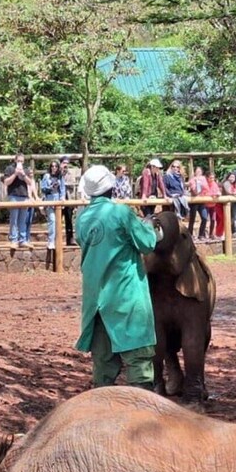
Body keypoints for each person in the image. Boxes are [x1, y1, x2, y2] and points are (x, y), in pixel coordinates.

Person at [75, 165, 163, 390]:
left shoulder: (81, 218)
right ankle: (142, 416)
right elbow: (147, 243)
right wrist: (150, 226)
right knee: (139, 363)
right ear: (112, 187)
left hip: (96, 301)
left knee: (103, 368)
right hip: (126, 296)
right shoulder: (122, 213)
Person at [2, 152, 32, 248]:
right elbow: (6, 182)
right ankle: (13, 240)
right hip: (13, 196)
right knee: (14, 219)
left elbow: (30, 182)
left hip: (24, 197)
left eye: (22, 161)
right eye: (18, 161)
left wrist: (23, 175)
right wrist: (15, 173)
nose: (20, 163)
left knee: (23, 220)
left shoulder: (26, 169)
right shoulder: (9, 169)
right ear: (15, 160)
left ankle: (22, 239)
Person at [40, 160, 65, 250]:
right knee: (52, 220)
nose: (54, 168)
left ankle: (57, 240)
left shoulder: (60, 177)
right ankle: (51, 241)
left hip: (58, 199)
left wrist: (62, 198)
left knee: (58, 222)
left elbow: (62, 188)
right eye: (52, 166)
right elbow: (43, 189)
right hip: (50, 199)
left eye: (55, 166)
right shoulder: (46, 176)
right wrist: (50, 187)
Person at [187, 165, 209, 240]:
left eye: (199, 171)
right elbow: (194, 190)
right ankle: (189, 234)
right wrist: (197, 182)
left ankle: (201, 235)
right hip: (194, 201)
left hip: (202, 201)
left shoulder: (203, 179)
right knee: (192, 218)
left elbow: (206, 188)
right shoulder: (192, 180)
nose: (198, 172)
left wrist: (201, 183)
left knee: (204, 217)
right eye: (197, 171)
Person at [60, 156, 76, 246]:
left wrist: (64, 184)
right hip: (59, 199)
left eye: (67, 163)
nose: (66, 165)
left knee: (69, 220)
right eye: (64, 162)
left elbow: (72, 184)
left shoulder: (70, 174)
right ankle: (56, 240)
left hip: (68, 198)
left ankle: (70, 240)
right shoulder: (58, 173)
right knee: (57, 220)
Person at [205, 171, 222, 238]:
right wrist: (212, 195)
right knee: (204, 219)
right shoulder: (205, 184)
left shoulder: (214, 184)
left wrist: (218, 194)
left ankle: (211, 234)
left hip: (213, 205)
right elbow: (205, 193)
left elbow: (217, 191)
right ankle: (203, 233)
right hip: (205, 204)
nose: (212, 179)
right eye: (210, 178)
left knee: (213, 219)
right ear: (207, 178)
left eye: (213, 178)